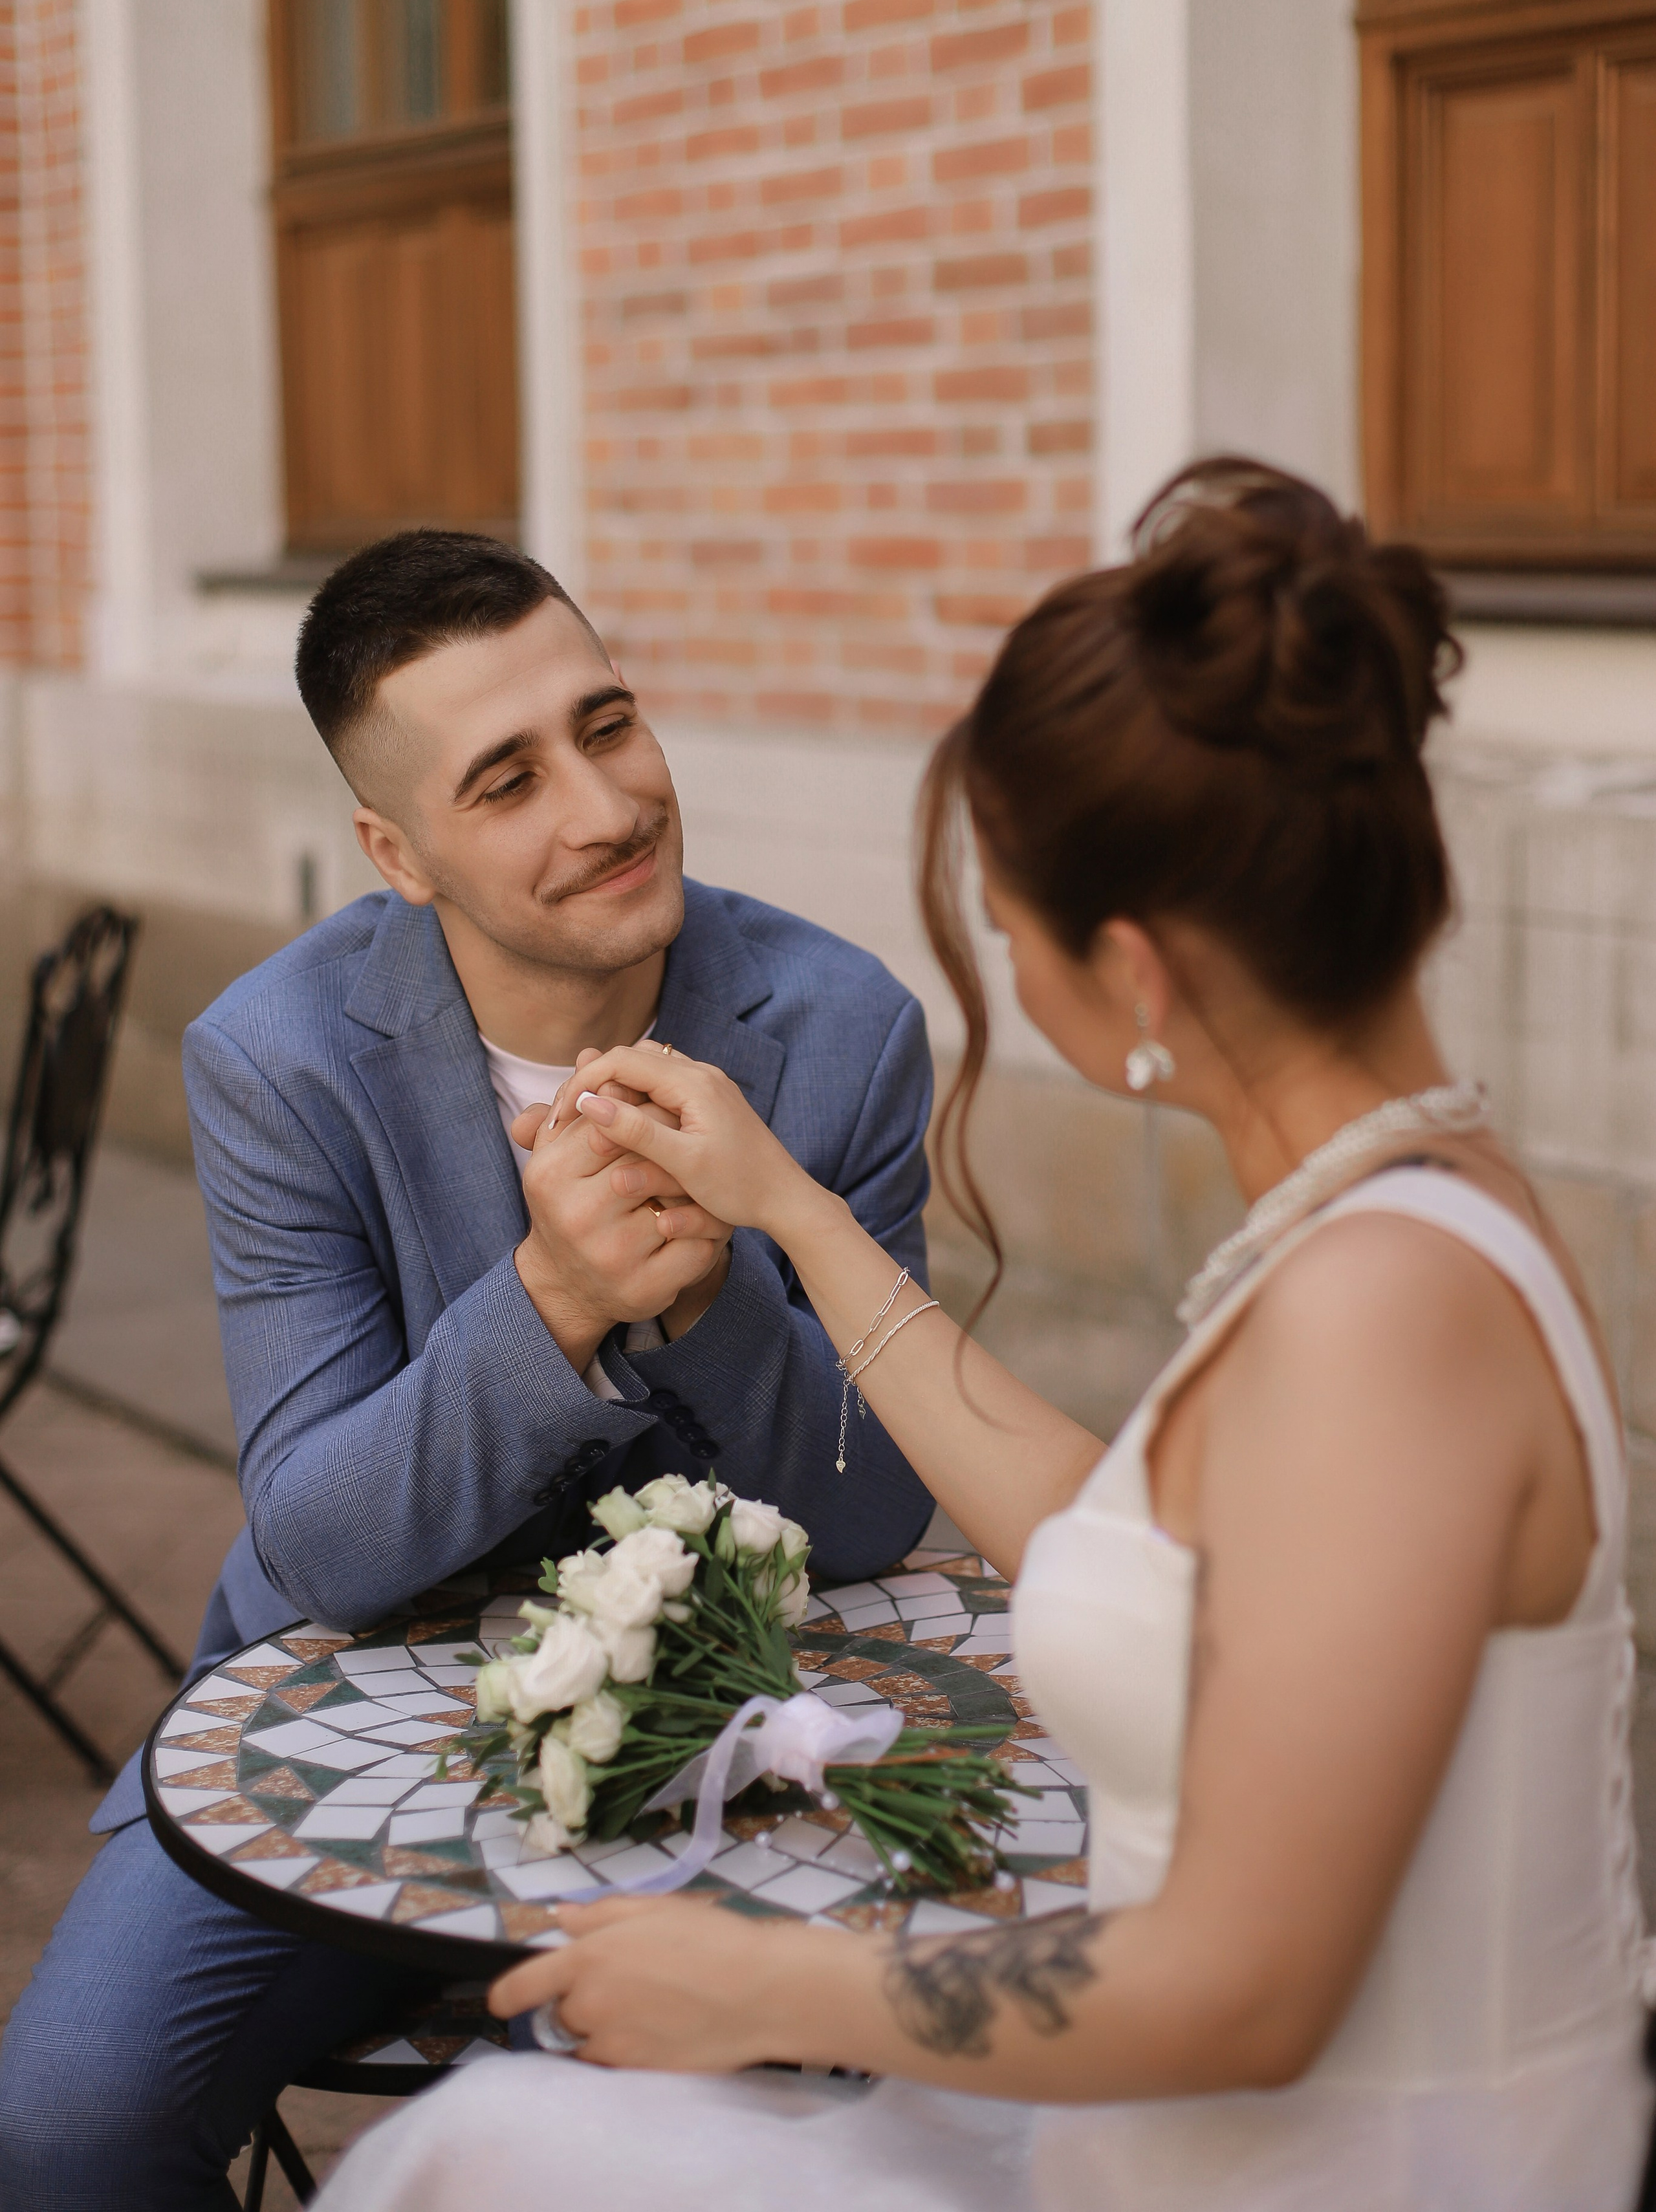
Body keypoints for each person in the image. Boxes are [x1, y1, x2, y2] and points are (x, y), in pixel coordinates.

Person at [316, 463, 1652, 2212]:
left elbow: (1253, 1987)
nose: (1001, 974)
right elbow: (1129, 1530)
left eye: (1005, 931)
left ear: (1136, 973)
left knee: (476, 2153)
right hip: (1227, 2134)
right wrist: (791, 1211)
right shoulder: (1408, 1204)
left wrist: (761, 1989)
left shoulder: (1379, 1314)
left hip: (1344, 2173)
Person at [0, 531, 934, 2212]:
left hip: (737, 1738)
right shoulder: (278, 1058)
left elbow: (874, 1515)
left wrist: (709, 1299)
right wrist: (551, 1301)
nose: (607, 806)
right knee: (62, 2127)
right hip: (348, 1707)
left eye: (610, 724)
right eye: (508, 781)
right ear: (398, 851)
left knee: (614, 2154)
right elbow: (321, 1540)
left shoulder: (841, 1025)